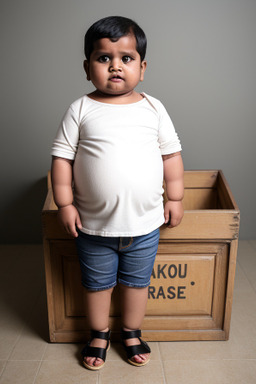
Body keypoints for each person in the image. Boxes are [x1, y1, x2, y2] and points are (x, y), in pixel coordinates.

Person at [51, 15, 184, 370]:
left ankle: (131, 330)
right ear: (86, 67)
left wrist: (175, 197)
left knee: (137, 284)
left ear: (142, 67)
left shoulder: (154, 108)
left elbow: (170, 155)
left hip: (144, 226)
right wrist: (64, 203)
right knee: (96, 286)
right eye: (103, 58)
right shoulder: (81, 109)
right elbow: (62, 159)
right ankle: (98, 333)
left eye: (125, 58)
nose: (115, 66)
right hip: (93, 228)